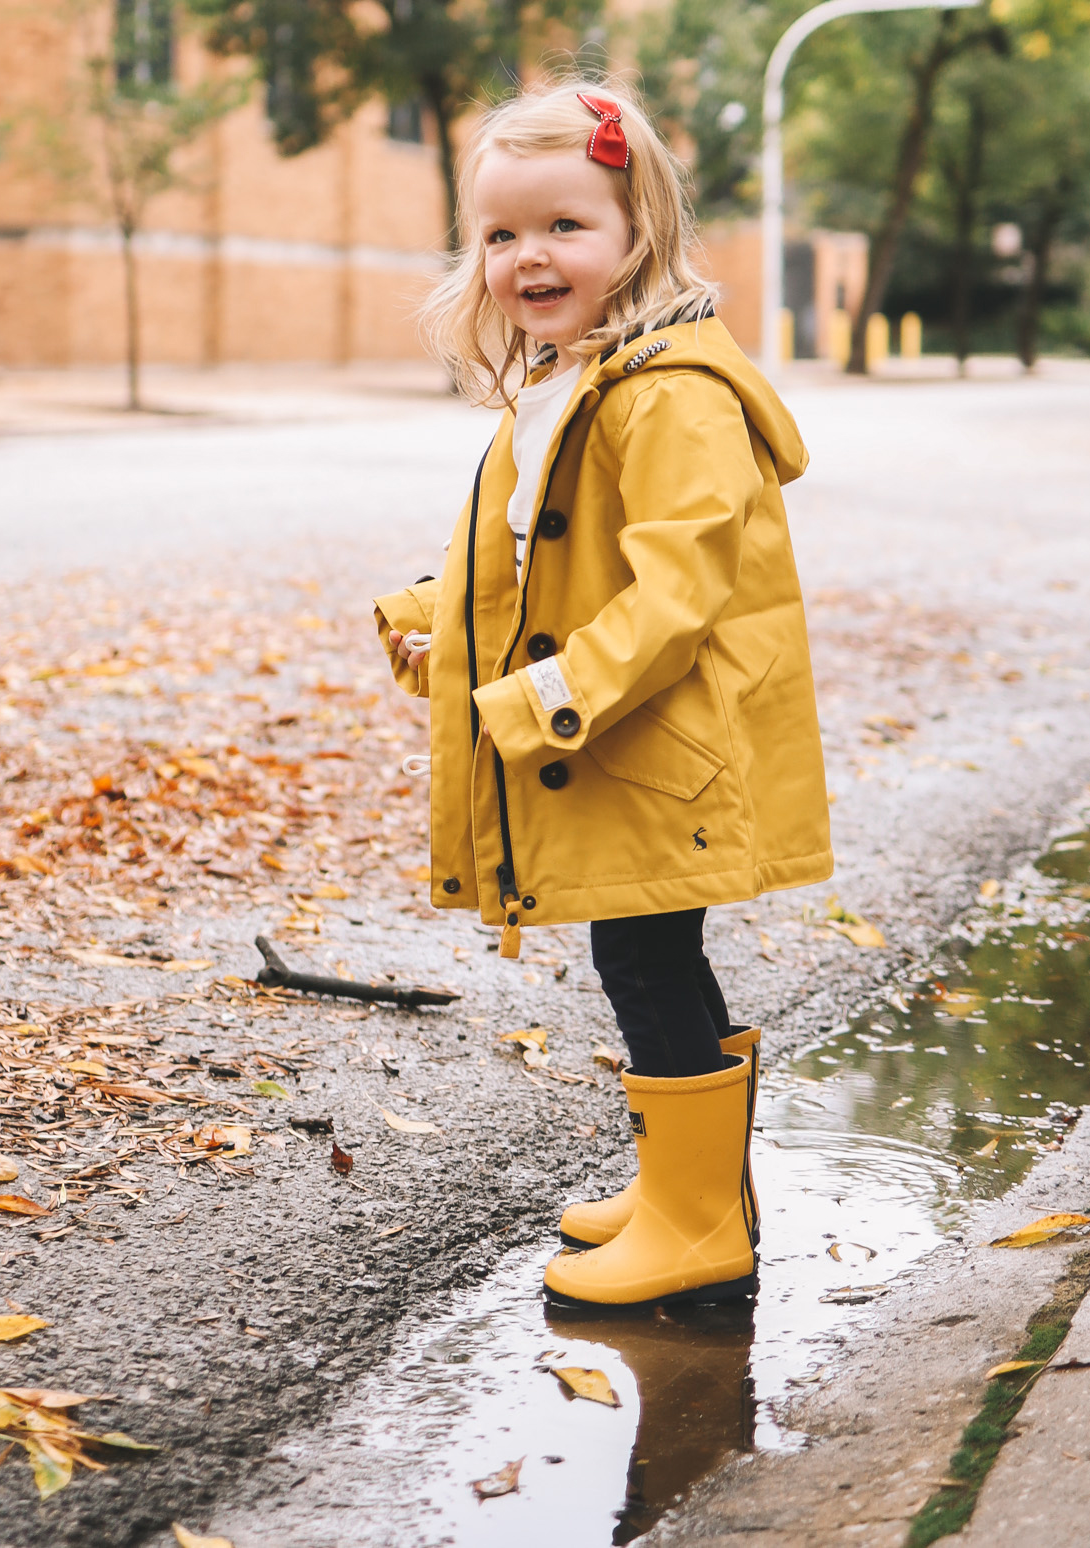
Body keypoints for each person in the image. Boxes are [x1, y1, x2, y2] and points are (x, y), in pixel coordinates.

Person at [374, 78, 831, 1310]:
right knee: (655, 955)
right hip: (634, 734)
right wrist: (441, 627)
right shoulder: (574, 375)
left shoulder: (667, 393)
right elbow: (532, 555)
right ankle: (692, 1191)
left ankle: (695, 1226)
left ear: (640, 233)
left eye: (565, 226)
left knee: (644, 957)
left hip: (655, 738)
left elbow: (674, 594)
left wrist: (537, 700)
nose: (530, 256)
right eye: (502, 233)